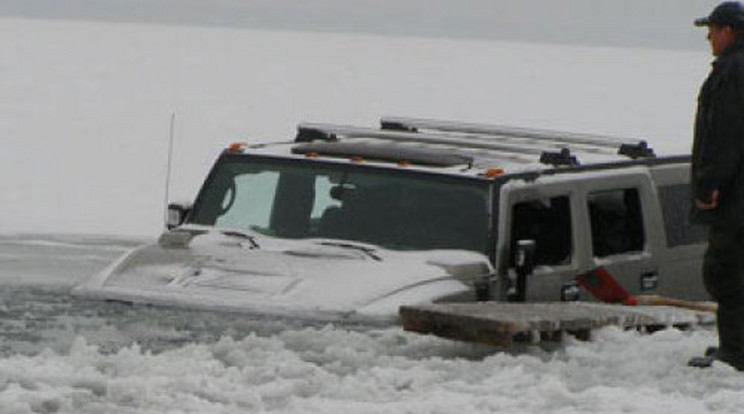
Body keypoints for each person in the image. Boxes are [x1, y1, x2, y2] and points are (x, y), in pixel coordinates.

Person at [689, 2, 744, 371]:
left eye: (712, 28)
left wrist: (709, 183)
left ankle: (736, 351)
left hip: (735, 195)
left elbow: (724, 133)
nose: (709, 36)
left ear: (728, 31)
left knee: (728, 270)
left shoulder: (732, 70)